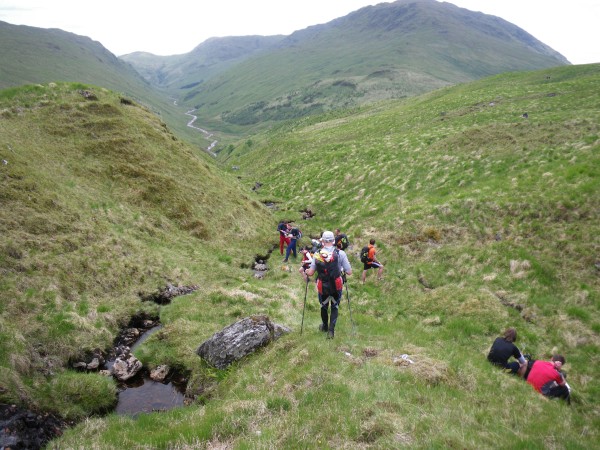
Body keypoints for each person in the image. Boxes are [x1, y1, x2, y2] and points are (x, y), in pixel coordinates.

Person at [305, 231, 352, 339]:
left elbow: (311, 273)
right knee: (335, 306)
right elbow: (349, 272)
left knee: (324, 306)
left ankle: (325, 326)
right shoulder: (340, 253)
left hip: (323, 285)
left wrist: (306, 271)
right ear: (333, 241)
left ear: (323, 241)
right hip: (337, 285)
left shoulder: (317, 254)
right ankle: (331, 331)